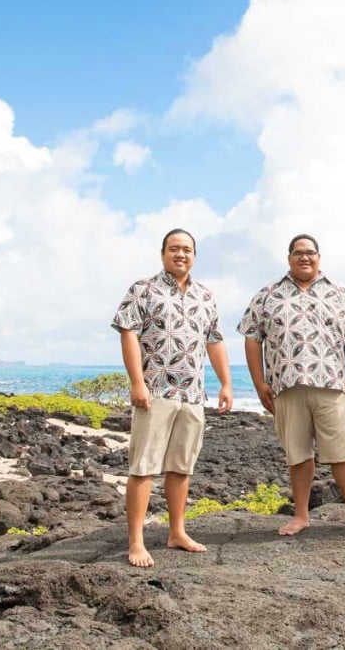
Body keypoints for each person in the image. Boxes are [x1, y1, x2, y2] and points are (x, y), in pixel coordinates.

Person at [238, 234, 345, 537]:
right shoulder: (267, 295)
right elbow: (252, 338)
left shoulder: (341, 293)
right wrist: (259, 382)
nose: (305, 257)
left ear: (319, 257)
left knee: (343, 453)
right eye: (298, 253)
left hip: (331, 386)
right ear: (289, 258)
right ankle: (300, 515)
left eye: (310, 253)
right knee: (298, 454)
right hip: (286, 388)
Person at [112, 228, 233, 567]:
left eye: (187, 250)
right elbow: (129, 334)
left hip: (193, 394)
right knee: (144, 467)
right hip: (156, 392)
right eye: (174, 249)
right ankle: (136, 541)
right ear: (163, 253)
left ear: (194, 255)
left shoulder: (206, 296)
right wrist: (138, 383)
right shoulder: (143, 290)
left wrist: (226, 383)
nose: (181, 254)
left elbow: (215, 341)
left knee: (181, 467)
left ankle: (177, 531)